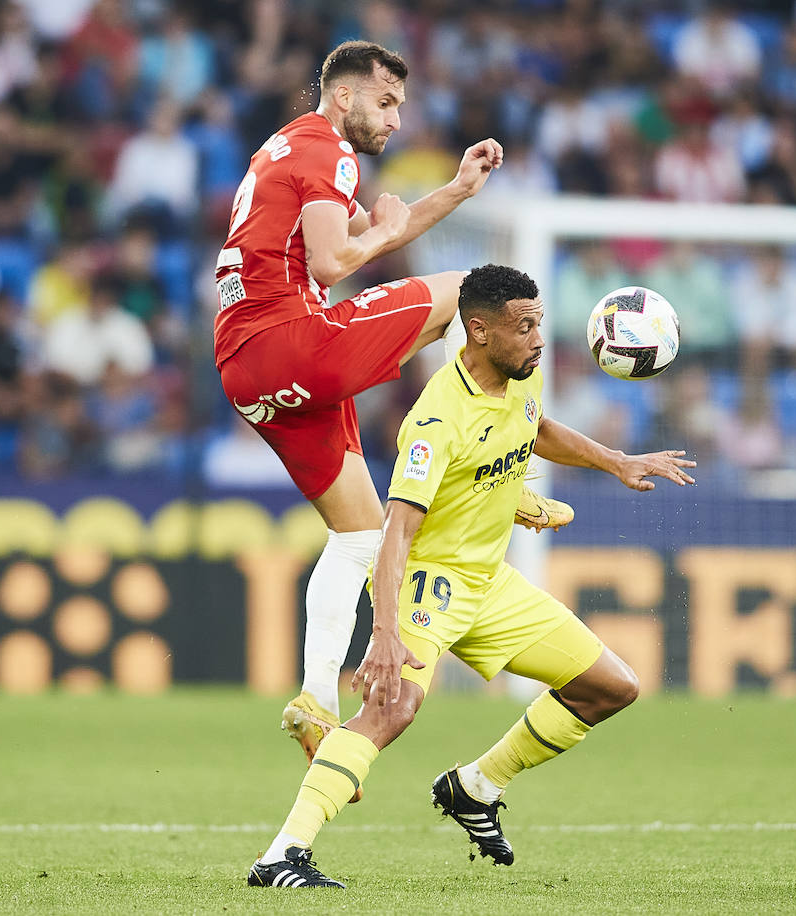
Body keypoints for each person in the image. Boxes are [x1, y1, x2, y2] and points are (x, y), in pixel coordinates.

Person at [247, 265, 695, 889]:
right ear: (479, 330)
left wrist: (615, 462)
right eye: (525, 326)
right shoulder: (435, 421)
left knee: (611, 687)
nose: (539, 339)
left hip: (489, 584)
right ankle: (281, 855)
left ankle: (475, 787)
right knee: (392, 709)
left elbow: (535, 429)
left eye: (540, 323)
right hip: (424, 584)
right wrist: (383, 632)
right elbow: (395, 531)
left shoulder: (521, 374)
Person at [211, 41, 572, 775]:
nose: (397, 120)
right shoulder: (327, 149)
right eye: (386, 103)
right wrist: (376, 227)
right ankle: (494, 466)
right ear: (344, 97)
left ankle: (313, 699)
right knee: (478, 292)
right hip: (292, 338)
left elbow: (366, 239)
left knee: (359, 536)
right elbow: (334, 263)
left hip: (246, 368)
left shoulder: (285, 148)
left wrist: (456, 192)